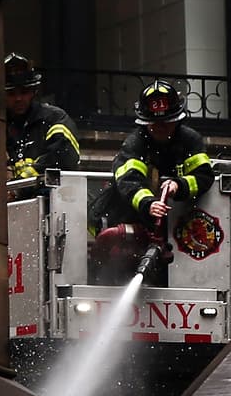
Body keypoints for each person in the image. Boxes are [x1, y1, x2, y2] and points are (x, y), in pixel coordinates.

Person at [91, 80, 215, 282]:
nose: (160, 128)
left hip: (179, 233)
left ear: (177, 120)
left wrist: (179, 185)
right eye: (154, 124)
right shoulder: (135, 144)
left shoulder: (190, 140)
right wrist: (148, 204)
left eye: (166, 122)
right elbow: (128, 181)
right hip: (132, 224)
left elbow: (204, 175)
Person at [4, 52, 81, 181]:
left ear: (34, 91)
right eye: (11, 93)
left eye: (24, 92)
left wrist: (21, 184)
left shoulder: (54, 119)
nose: (18, 99)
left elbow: (62, 156)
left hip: (51, 198)